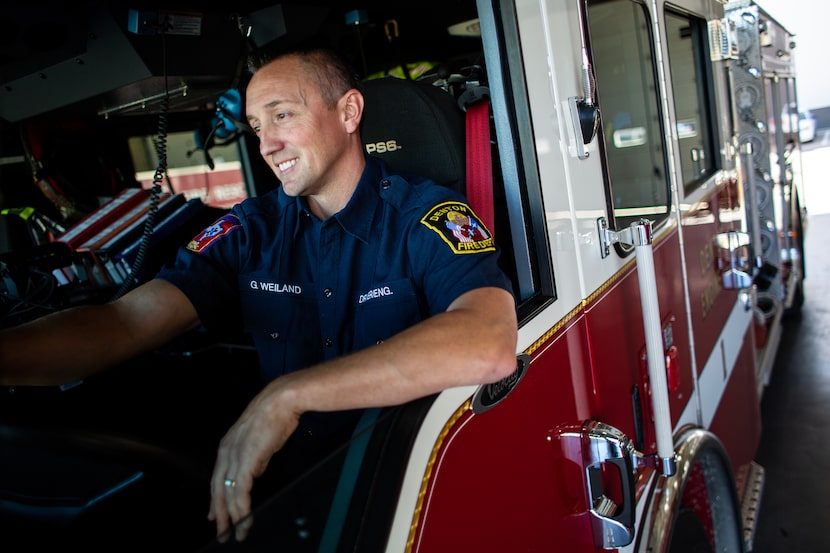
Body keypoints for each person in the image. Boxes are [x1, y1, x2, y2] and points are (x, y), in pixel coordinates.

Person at [0, 48, 518, 543]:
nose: (266, 145)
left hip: (407, 497)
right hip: (287, 496)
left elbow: (489, 341)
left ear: (349, 111)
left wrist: (287, 396)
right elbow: (127, 322)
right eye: (257, 126)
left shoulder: (429, 218)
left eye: (283, 116)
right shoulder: (250, 231)